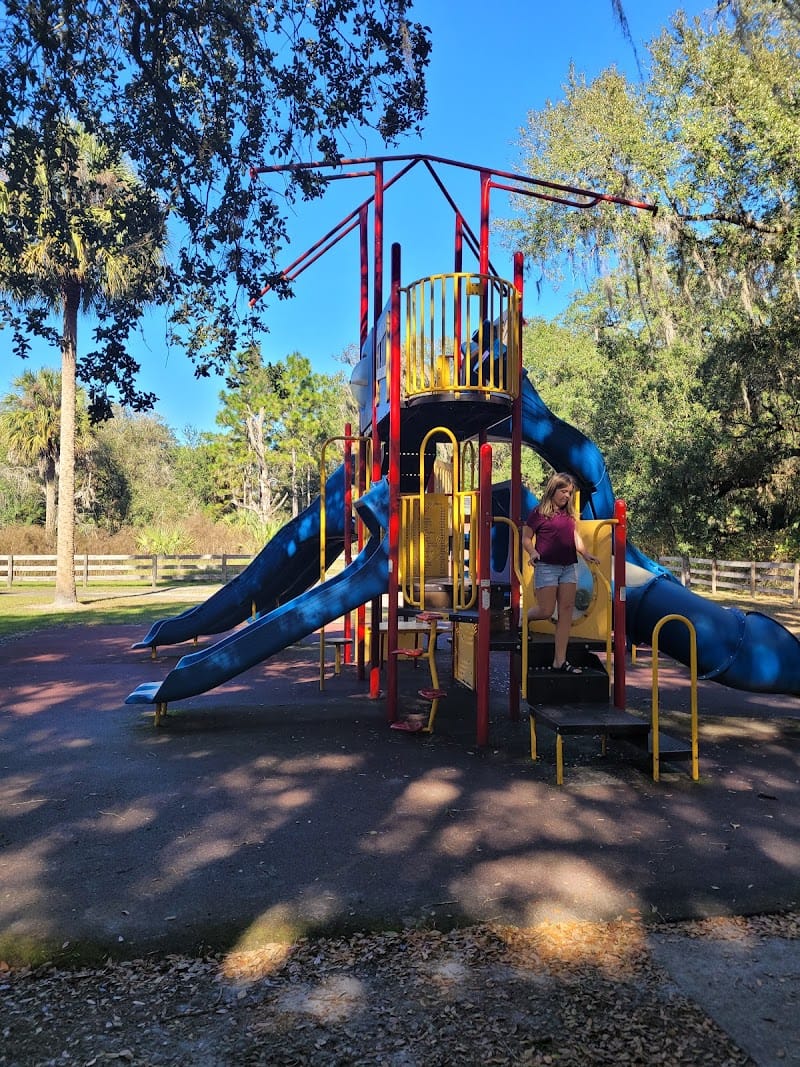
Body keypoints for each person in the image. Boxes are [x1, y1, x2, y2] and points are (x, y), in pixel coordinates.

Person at [521, 471, 599, 673]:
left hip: (568, 567)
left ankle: (560, 660)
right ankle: (525, 618)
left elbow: (574, 536)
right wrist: (533, 552)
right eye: (563, 491)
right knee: (546, 611)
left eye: (570, 492)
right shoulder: (539, 512)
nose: (567, 496)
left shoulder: (569, 514)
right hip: (547, 566)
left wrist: (585, 553)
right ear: (553, 490)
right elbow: (526, 538)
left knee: (566, 612)